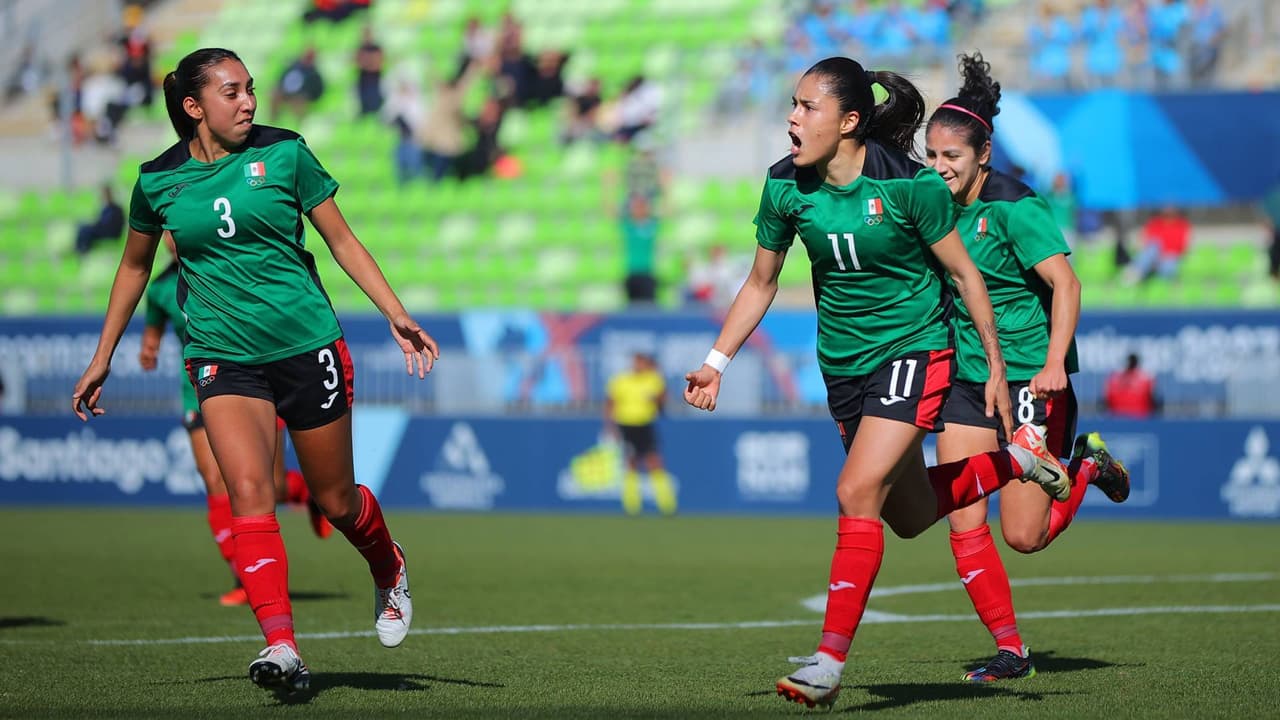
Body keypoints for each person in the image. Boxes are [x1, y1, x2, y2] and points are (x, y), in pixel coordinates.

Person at [682, 56, 1073, 709]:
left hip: (915, 350)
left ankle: (828, 663)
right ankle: (1018, 461)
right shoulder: (783, 185)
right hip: (843, 367)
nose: (792, 117)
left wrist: (998, 369)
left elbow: (965, 275)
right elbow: (760, 282)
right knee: (910, 516)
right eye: (793, 104)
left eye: (807, 106)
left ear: (849, 122)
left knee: (855, 490)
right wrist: (715, 362)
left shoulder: (909, 187)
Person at [71, 48, 440, 697]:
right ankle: (282, 645)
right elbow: (133, 267)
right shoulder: (157, 181)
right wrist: (104, 356)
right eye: (232, 92)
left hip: (306, 345)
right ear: (193, 106)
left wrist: (396, 312)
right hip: (222, 355)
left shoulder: (286, 152)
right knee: (248, 491)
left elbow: (341, 239)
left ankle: (388, 566)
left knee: (335, 501)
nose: (248, 102)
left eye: (250, 89)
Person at [924, 53, 1131, 683]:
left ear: (983, 154)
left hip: (1031, 384)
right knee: (962, 514)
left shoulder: (1016, 206)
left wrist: (1053, 365)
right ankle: (1012, 651)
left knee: (1024, 537)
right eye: (931, 155)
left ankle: (1086, 464)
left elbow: (1066, 285)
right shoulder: (931, 205)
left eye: (952, 157)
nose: (939, 167)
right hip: (968, 379)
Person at [139, 235, 333, 607]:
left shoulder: (227, 267)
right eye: (165, 233)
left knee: (269, 488)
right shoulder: (161, 289)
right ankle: (244, 575)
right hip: (198, 390)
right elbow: (153, 332)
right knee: (216, 481)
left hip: (254, 384)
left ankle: (306, 493)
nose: (172, 240)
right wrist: (149, 349)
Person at [605, 352, 676, 515]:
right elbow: (611, 403)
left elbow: (663, 399)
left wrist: (656, 399)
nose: (639, 365)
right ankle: (632, 506)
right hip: (626, 425)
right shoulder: (621, 380)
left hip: (645, 424)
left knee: (654, 462)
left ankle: (667, 505)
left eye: (642, 362)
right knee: (631, 463)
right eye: (637, 362)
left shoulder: (653, 379)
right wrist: (610, 426)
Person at [1124, 205, 1190, 284]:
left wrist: (1164, 255)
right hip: (1153, 256)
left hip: (1170, 256)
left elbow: (1181, 246)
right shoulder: (1155, 222)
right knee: (1153, 246)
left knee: (1168, 264)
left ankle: (1140, 273)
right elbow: (1147, 242)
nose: (1168, 208)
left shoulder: (1182, 224)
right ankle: (1135, 272)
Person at [620, 192, 659, 305]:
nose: (639, 209)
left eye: (642, 206)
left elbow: (669, 211)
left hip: (647, 272)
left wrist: (666, 187)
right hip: (631, 272)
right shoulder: (628, 226)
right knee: (631, 308)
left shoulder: (652, 225)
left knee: (648, 308)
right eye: (636, 207)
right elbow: (609, 211)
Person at [272, 48, 324, 122]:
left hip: (300, 96)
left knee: (299, 101)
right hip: (286, 92)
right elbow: (282, 78)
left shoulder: (314, 75)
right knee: (275, 94)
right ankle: (274, 119)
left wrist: (307, 95)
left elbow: (318, 90)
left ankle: (298, 122)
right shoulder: (292, 66)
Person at [75, 184, 125, 255]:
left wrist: (95, 225)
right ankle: (80, 249)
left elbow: (106, 224)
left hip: (110, 233)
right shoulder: (107, 208)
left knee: (85, 230)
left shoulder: (115, 209)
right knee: (83, 227)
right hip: (105, 230)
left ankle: (83, 250)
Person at [1104, 352, 1158, 418]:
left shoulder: (1113, 378)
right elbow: (1153, 401)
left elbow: (1106, 401)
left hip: (1120, 419)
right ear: (1136, 364)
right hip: (1139, 419)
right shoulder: (1147, 378)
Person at [353, 27, 384, 116]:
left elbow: (377, 63)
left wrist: (367, 61)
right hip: (363, 81)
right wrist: (369, 61)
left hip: (374, 81)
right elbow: (358, 62)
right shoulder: (360, 48)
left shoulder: (376, 48)